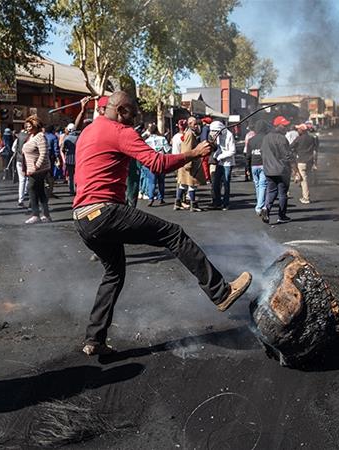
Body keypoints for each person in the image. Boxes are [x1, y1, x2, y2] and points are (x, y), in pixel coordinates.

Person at [72, 91, 252, 355]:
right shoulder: (121, 131)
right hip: (105, 212)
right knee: (173, 234)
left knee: (113, 273)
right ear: (122, 110)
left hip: (81, 218)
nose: (136, 120)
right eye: (133, 113)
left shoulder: (89, 130)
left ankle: (94, 339)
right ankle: (221, 292)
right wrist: (194, 153)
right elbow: (156, 164)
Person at [260, 116, 300, 224]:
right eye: (284, 125)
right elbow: (288, 156)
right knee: (283, 193)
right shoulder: (282, 138)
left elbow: (262, 152)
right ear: (278, 126)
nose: (286, 127)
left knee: (271, 191)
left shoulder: (266, 138)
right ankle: (282, 216)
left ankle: (266, 209)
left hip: (268, 170)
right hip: (281, 170)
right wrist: (295, 170)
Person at [23, 115, 52, 223]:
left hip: (39, 169)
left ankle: (35, 215)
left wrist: (36, 166)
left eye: (29, 126)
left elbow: (44, 153)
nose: (27, 128)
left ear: (36, 126)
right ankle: (46, 214)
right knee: (40, 191)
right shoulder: (31, 136)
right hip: (32, 168)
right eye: (26, 126)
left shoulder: (40, 136)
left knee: (31, 188)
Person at [175, 117, 207, 211]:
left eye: (197, 124)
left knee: (183, 184)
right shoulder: (189, 134)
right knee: (191, 184)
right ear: (190, 124)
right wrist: (187, 164)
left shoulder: (189, 133)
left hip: (187, 163)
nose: (197, 126)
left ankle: (178, 203)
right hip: (189, 163)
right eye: (195, 124)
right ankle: (193, 205)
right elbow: (187, 149)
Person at [208, 120, 235, 210]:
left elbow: (232, 151)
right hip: (220, 163)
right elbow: (219, 148)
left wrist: (220, 156)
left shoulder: (229, 135)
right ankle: (217, 202)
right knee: (216, 183)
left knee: (226, 183)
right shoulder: (219, 136)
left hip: (228, 163)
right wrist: (216, 155)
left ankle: (226, 203)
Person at [144, 123, 171, 206]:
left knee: (151, 181)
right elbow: (167, 150)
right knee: (161, 181)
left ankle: (150, 198)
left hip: (151, 161)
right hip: (161, 161)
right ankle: (161, 198)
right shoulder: (162, 138)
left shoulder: (146, 141)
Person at [291, 123, 318, 204]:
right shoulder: (312, 138)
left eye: (298, 129)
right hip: (310, 161)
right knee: (306, 178)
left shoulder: (298, 139)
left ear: (302, 130)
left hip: (301, 161)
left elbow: (290, 147)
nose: (297, 130)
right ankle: (305, 194)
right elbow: (315, 149)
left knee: (303, 180)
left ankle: (306, 198)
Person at [247, 121, 268, 215]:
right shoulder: (266, 139)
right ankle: (260, 207)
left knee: (258, 185)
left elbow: (248, 155)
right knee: (263, 185)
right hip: (263, 164)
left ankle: (260, 204)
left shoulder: (251, 140)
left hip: (253, 164)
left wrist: (247, 168)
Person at [12, 123, 30, 207]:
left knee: (22, 180)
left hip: (19, 160)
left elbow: (14, 148)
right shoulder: (31, 137)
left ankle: (20, 199)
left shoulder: (19, 136)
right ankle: (29, 196)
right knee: (29, 179)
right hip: (28, 160)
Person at [62, 123, 80, 196]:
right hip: (78, 158)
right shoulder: (79, 137)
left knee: (70, 176)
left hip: (69, 159)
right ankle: (78, 189)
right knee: (78, 175)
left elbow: (62, 148)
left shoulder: (67, 138)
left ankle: (71, 190)